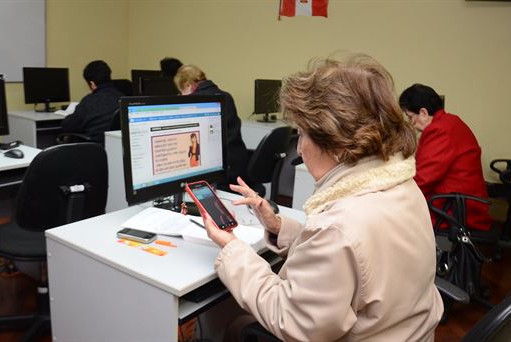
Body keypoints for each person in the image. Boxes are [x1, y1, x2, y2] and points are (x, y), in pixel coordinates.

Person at [201, 54, 443, 341]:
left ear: (337, 143)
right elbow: (353, 259)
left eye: (302, 134)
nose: (300, 148)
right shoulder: (400, 184)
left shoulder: (339, 226)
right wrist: (279, 226)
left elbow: (290, 318)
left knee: (236, 327)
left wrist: (233, 249)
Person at [399, 83, 492, 231]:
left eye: (410, 117)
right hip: (462, 203)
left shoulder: (439, 130)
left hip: (455, 210)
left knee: (395, 215)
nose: (412, 124)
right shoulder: (450, 122)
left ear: (423, 113)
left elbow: (423, 180)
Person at [174, 65, 248, 186]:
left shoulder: (193, 101)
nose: (181, 95)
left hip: (216, 173)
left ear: (188, 85)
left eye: (181, 91)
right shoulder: (226, 96)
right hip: (237, 164)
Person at [61, 60, 122, 144]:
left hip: (94, 150)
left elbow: (68, 126)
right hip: (117, 148)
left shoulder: (89, 101)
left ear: (92, 84)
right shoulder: (124, 99)